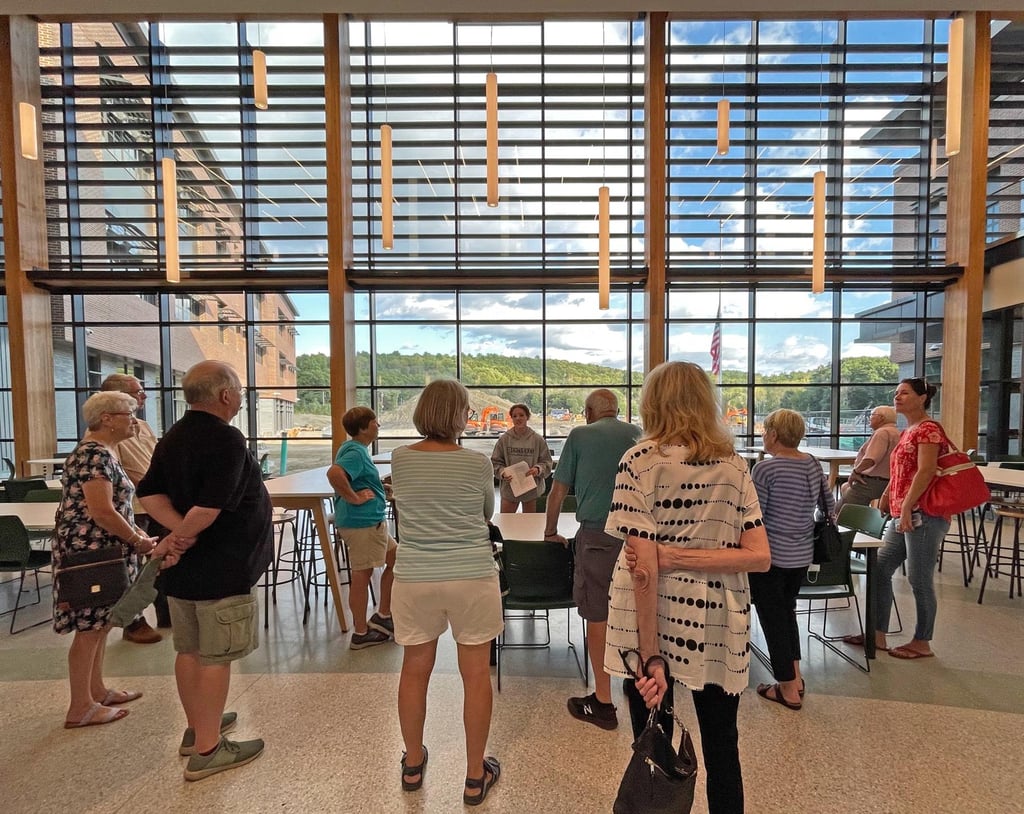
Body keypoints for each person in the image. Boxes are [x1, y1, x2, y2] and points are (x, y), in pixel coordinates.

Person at [606, 361, 770, 814]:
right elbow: (758, 555)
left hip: (648, 619)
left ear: (652, 402)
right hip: (716, 613)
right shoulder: (734, 465)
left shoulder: (639, 462)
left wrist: (651, 654)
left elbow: (643, 569)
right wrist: (685, 556)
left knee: (653, 741)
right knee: (723, 744)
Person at [137, 361, 273, 781]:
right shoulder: (226, 437)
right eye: (240, 390)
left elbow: (149, 494)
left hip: (186, 571)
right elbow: (210, 507)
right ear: (226, 395)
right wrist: (183, 535)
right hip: (221, 567)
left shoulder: (173, 435)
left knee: (189, 650)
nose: (241, 397)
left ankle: (198, 727)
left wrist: (175, 535)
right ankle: (209, 749)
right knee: (216, 656)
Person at [389, 379, 503, 805]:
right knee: (475, 675)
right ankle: (474, 775)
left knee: (414, 669)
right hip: (471, 575)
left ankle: (413, 762)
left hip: (415, 576)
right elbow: (486, 513)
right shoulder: (477, 463)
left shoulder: (401, 458)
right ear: (459, 415)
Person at [54, 391, 173, 728]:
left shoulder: (104, 451)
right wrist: (136, 539)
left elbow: (114, 509)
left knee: (102, 624)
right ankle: (80, 707)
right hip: (92, 554)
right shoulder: (93, 455)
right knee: (90, 628)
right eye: (129, 414)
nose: (135, 421)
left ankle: (96, 691)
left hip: (105, 550)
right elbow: (101, 511)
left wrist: (136, 535)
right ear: (106, 418)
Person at [544, 388, 640, 730]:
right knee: (634, 611)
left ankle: (603, 701)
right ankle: (636, 682)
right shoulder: (638, 434)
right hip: (637, 538)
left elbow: (558, 489)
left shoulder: (580, 435)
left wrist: (550, 530)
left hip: (598, 536)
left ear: (588, 412)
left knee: (598, 614)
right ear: (617, 410)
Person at [844, 377, 950, 660]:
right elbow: (901, 471)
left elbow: (925, 471)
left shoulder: (928, 429)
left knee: (919, 579)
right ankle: (877, 634)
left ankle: (922, 641)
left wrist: (906, 508)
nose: (897, 397)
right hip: (905, 511)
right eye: (896, 393)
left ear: (922, 398)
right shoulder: (908, 430)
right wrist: (887, 496)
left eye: (905, 393)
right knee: (879, 568)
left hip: (924, 514)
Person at [750, 408, 834, 710]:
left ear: (773, 435)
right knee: (787, 613)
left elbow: (755, 515)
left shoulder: (765, 470)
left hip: (771, 556)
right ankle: (795, 678)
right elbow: (828, 504)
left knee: (772, 619)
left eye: (765, 431)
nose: (764, 436)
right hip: (801, 555)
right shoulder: (811, 463)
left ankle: (786, 688)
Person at [100, 373, 168, 643]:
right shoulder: (108, 433)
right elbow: (119, 470)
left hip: (158, 503)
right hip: (133, 507)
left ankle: (166, 613)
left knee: (162, 558)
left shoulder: (143, 425)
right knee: (133, 566)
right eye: (138, 392)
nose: (144, 396)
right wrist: (151, 484)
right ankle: (133, 622)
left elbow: (155, 461)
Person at [327, 406, 397, 650]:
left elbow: (354, 477)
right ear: (364, 427)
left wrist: (378, 488)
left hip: (370, 523)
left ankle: (384, 614)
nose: (378, 426)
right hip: (363, 524)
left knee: (398, 560)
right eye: (375, 422)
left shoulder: (354, 449)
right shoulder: (356, 451)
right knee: (361, 575)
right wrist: (354, 498)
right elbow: (335, 474)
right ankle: (360, 632)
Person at [490, 403, 553, 513]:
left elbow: (546, 462)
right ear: (511, 418)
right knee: (506, 521)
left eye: (521, 415)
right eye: (514, 416)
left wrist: (537, 469)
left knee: (531, 522)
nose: (518, 418)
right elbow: (495, 462)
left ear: (527, 417)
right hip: (510, 489)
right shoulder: (504, 439)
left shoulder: (537, 439)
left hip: (532, 490)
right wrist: (503, 473)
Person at [836, 405, 900, 511]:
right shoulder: (896, 432)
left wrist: (855, 472)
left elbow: (871, 459)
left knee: (841, 510)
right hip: (887, 481)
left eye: (872, 415)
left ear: (881, 418)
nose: (869, 418)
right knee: (845, 487)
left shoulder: (882, 433)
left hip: (872, 482)